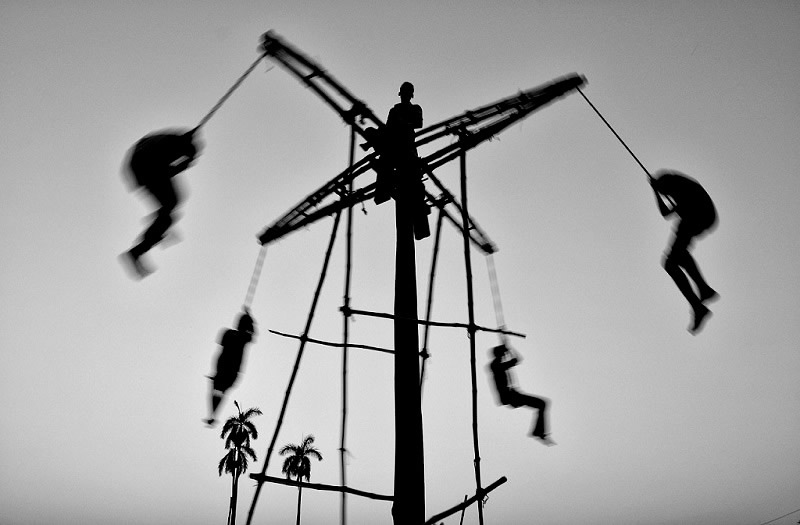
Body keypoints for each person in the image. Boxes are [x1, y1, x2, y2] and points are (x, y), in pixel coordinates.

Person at [121, 128, 201, 278]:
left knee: (170, 205)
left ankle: (155, 230)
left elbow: (167, 172)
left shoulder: (169, 142)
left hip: (138, 165)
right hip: (146, 163)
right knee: (172, 203)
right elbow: (168, 171)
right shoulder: (172, 144)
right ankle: (139, 249)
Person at [649, 170, 718, 334]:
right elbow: (667, 213)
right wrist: (655, 190)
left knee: (670, 262)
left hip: (698, 215)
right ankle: (703, 290)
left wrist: (656, 190)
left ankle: (699, 302)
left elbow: (667, 212)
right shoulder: (678, 185)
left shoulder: (681, 187)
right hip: (700, 216)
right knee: (678, 256)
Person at [385, 82, 430, 240]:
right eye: (403, 93)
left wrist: (403, 123)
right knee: (404, 183)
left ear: (410, 95)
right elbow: (388, 129)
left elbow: (418, 123)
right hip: (396, 152)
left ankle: (419, 224)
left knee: (415, 188)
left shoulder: (415, 108)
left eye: (407, 93)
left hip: (409, 152)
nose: (405, 95)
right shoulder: (394, 110)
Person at [488, 343, 554, 445]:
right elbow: (516, 359)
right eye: (502, 354)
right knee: (542, 404)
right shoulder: (495, 365)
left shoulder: (499, 365)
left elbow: (517, 360)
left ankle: (538, 431)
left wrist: (508, 349)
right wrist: (508, 349)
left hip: (512, 396)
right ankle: (538, 431)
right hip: (510, 397)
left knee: (542, 404)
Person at [205, 310, 256, 427]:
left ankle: (213, 415)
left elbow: (252, 334)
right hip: (225, 369)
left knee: (218, 391)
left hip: (229, 370)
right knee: (218, 391)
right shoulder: (237, 336)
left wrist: (249, 318)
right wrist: (250, 319)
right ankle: (213, 415)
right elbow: (252, 334)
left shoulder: (237, 336)